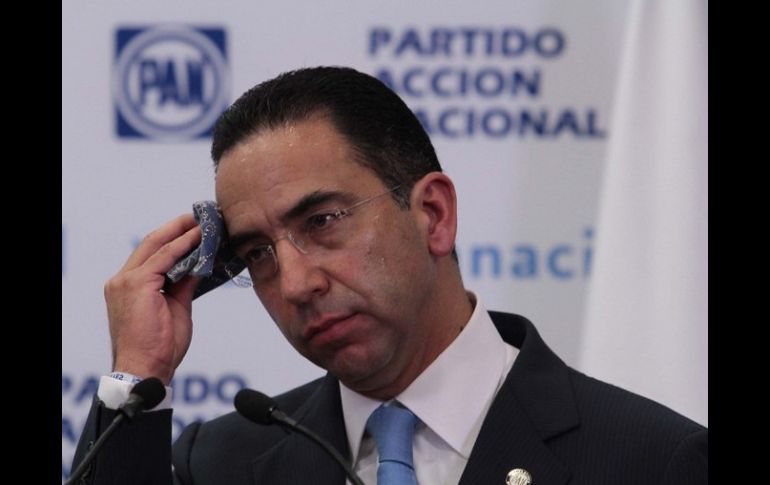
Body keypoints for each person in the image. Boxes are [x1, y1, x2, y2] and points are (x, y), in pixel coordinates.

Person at [72, 66, 708, 484]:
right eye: (259, 253)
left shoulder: (652, 461)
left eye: (322, 221)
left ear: (433, 214)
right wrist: (139, 373)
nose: (295, 284)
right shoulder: (223, 465)